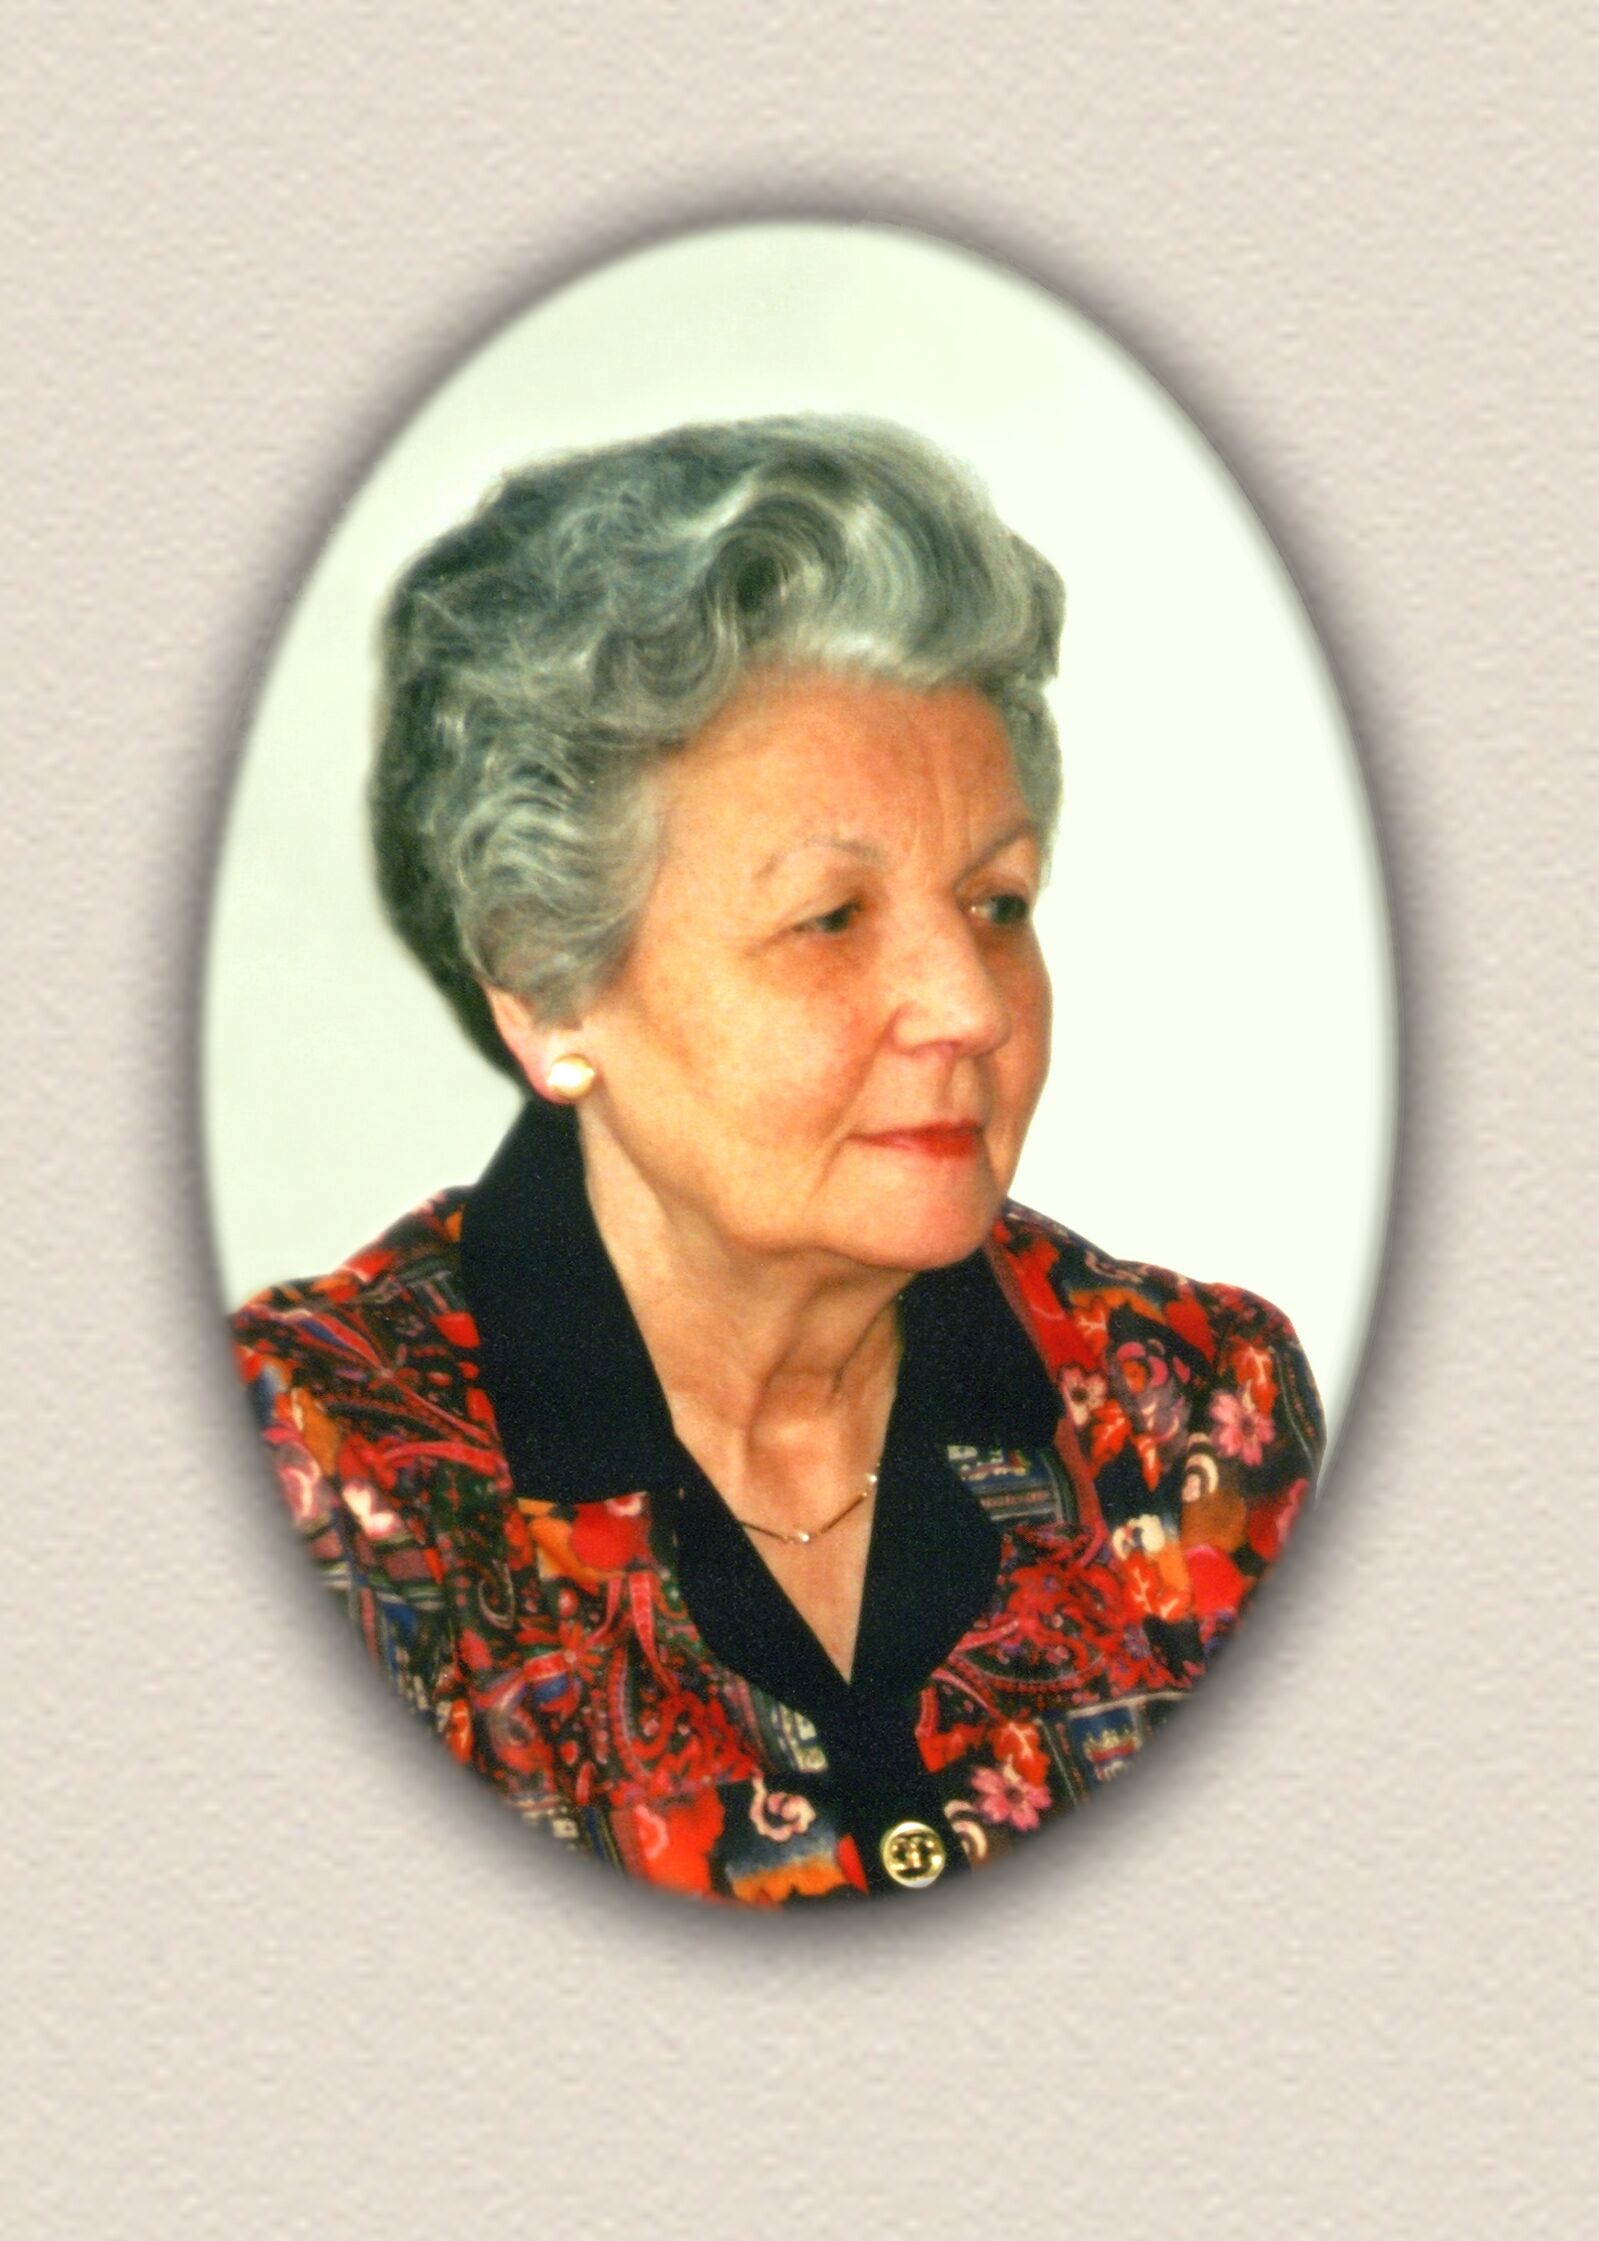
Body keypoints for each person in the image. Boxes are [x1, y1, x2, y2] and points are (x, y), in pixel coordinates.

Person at [231, 414, 1324, 1906]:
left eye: (997, 903)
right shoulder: (313, 1474)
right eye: (832, 920)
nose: (968, 1004)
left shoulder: (1192, 1412)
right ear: (549, 989)